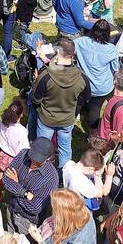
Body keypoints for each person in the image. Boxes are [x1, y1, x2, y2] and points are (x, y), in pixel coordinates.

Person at [30, 36, 86, 168]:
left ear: (57, 52)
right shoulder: (82, 77)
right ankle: (64, 176)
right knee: (65, 149)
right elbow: (84, 98)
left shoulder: (45, 76)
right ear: (72, 55)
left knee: (42, 149)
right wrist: (74, 113)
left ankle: (41, 173)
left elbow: (35, 99)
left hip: (46, 120)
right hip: (67, 120)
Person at [2, 136, 58, 232]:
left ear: (48, 158)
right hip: (11, 207)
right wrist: (25, 194)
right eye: (33, 156)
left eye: (38, 160)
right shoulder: (24, 154)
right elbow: (6, 178)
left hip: (26, 221)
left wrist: (16, 184)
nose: (34, 161)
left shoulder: (51, 178)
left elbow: (35, 207)